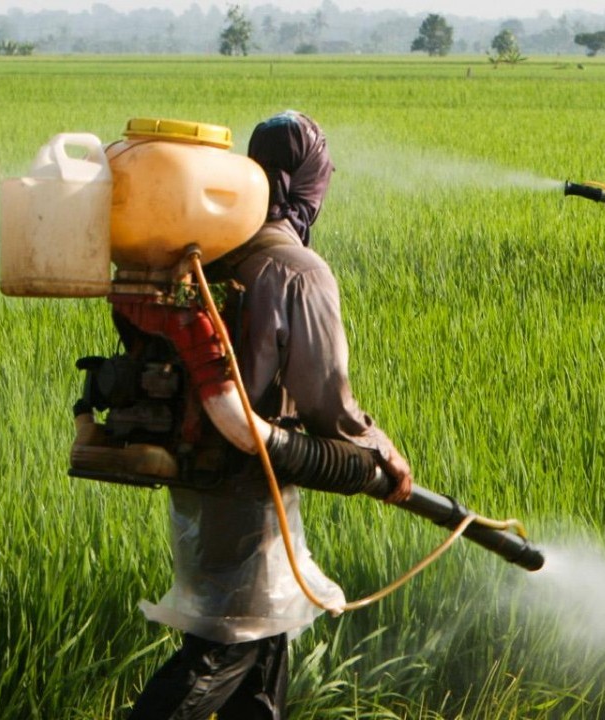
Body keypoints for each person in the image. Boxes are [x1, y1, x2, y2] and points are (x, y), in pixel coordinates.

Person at [117, 110, 414, 720]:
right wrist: (379, 452)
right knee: (225, 648)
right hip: (245, 479)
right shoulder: (296, 269)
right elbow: (328, 404)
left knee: (263, 642)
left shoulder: (211, 251)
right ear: (304, 183)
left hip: (200, 467)